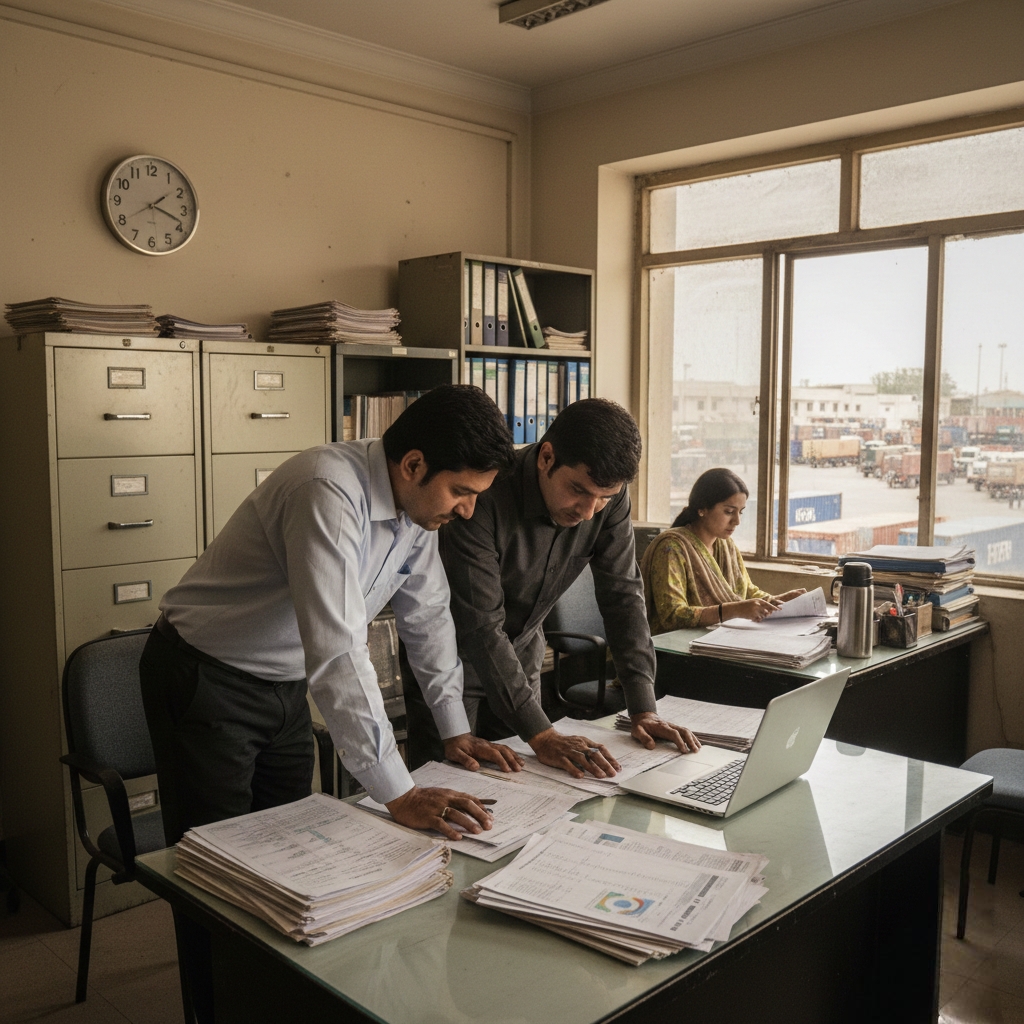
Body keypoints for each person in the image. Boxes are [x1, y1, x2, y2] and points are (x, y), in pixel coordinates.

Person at [140, 385, 521, 1022]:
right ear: (414, 465)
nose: (467, 510)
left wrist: (454, 727)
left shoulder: (415, 513)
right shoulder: (327, 489)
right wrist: (398, 792)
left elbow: (427, 617)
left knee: (291, 859)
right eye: (461, 491)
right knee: (216, 872)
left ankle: (269, 1003)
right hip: (206, 678)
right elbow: (340, 650)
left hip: (283, 684)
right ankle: (211, 1008)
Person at [417, 398, 701, 782]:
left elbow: (622, 595)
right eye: (578, 490)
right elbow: (481, 625)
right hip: (449, 668)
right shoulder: (483, 493)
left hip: (522, 663)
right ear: (546, 457)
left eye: (603, 498)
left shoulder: (607, 499)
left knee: (527, 789)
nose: (588, 511)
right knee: (450, 788)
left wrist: (643, 708)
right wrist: (542, 734)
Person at [639, 467, 805, 634]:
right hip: (671, 644)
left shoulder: (726, 546)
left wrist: (779, 601)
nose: (737, 521)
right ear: (702, 509)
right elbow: (673, 615)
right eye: (729, 512)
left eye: (740, 512)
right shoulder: (671, 548)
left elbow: (747, 591)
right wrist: (733, 610)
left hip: (717, 639)